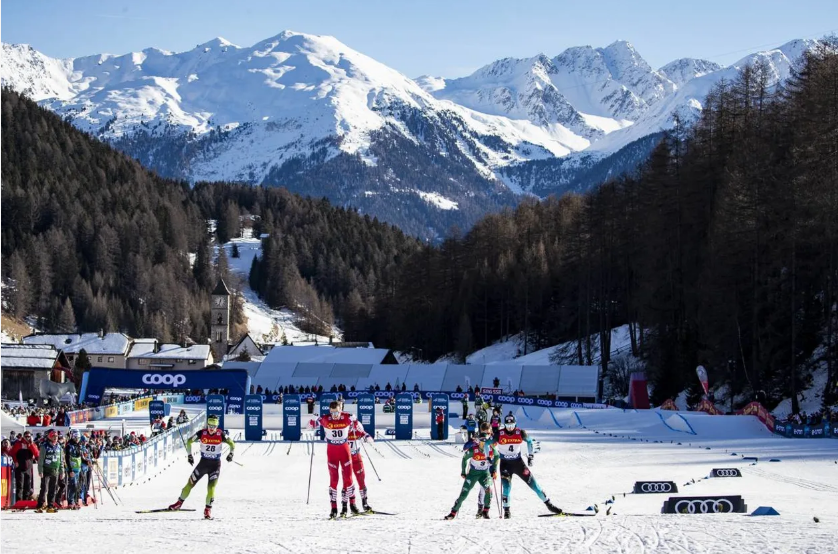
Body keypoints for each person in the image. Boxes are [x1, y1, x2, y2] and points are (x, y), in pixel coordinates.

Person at [486, 412, 561, 518]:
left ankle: (549, 504)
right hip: (505, 465)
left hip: (518, 464)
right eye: (507, 425)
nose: (510, 428)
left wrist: (531, 456)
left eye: (512, 425)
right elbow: (486, 444)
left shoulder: (520, 432)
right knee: (506, 487)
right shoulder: (499, 434)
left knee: (534, 485)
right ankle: (507, 511)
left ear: (515, 424)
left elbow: (530, 441)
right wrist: (488, 458)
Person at [167, 415, 235, 519]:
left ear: (217, 426)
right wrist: (189, 455)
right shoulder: (201, 433)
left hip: (215, 466)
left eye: (214, 426)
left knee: (211, 488)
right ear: (207, 424)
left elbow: (232, 444)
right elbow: (189, 441)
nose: (211, 429)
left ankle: (207, 510)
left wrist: (231, 454)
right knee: (189, 484)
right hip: (203, 464)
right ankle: (179, 503)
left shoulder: (221, 434)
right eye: (210, 426)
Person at [444, 423, 498, 520]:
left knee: (488, 490)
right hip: (473, 473)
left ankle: (485, 511)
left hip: (485, 472)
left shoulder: (491, 444)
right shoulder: (475, 447)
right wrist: (463, 472)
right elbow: (465, 456)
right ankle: (453, 513)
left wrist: (494, 469)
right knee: (464, 494)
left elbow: (497, 455)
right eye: (484, 434)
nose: (484, 441)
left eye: (488, 433)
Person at [318, 400, 357, 518]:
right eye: (332, 412)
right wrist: (312, 421)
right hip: (332, 453)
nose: (335, 415)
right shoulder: (325, 419)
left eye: (337, 412)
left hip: (344, 452)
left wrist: (354, 421)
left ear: (341, 410)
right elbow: (312, 423)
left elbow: (355, 422)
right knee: (334, 480)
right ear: (329, 411)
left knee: (348, 479)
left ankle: (352, 504)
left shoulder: (346, 417)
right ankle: (333, 508)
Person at [347, 416, 374, 513]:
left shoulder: (357, 426)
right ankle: (352, 504)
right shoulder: (342, 428)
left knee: (361, 479)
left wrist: (367, 437)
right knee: (348, 481)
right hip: (346, 458)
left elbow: (365, 435)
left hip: (356, 456)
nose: (350, 428)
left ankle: (365, 503)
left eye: (351, 425)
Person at [36, 429, 65, 513]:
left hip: (55, 470)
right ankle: (40, 505)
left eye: (56, 436)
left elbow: (61, 460)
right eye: (53, 436)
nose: (55, 438)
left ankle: (50, 505)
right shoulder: (44, 446)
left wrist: (61, 471)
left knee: (53, 489)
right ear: (49, 437)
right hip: (46, 470)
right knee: (44, 488)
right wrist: (40, 470)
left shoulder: (59, 447)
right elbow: (41, 459)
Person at [10, 430, 39, 501]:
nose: (27, 438)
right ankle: (19, 502)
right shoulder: (18, 444)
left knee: (28, 487)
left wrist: (31, 444)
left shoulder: (32, 444)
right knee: (20, 486)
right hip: (20, 468)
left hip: (28, 468)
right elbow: (12, 453)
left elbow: (36, 454)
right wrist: (15, 461)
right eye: (26, 437)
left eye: (29, 437)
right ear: (23, 436)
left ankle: (25, 501)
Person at [65, 429, 84, 509]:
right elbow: (67, 458)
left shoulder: (78, 445)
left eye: (78, 438)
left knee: (78, 486)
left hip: (78, 468)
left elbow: (80, 456)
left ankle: (75, 501)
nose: (77, 439)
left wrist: (87, 462)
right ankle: (71, 501)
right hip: (72, 469)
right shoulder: (69, 445)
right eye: (76, 438)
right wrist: (70, 470)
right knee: (73, 485)